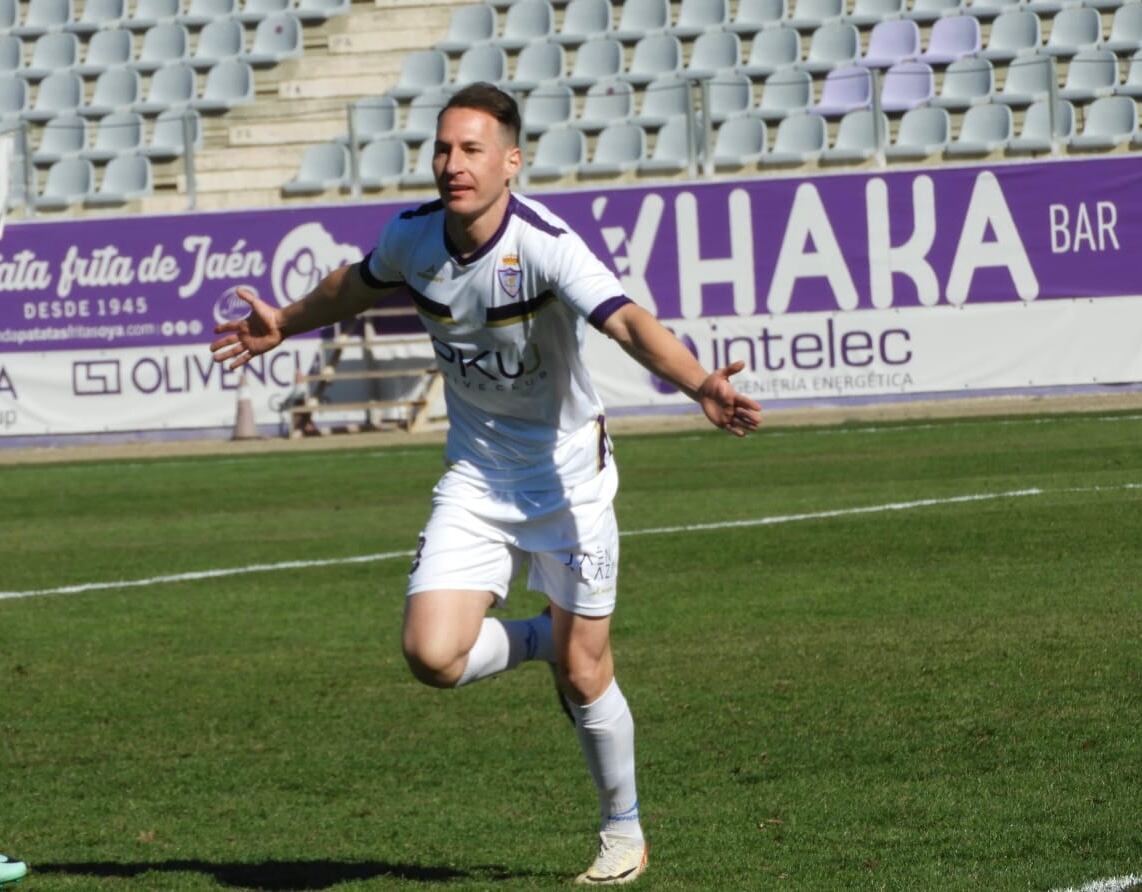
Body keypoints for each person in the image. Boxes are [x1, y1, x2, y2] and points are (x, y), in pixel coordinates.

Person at [210, 82, 761, 885]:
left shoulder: (544, 243)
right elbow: (354, 284)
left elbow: (630, 321)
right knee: (431, 656)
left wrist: (698, 384)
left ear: (511, 161)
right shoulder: (414, 238)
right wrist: (283, 322)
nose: (451, 164)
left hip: (569, 478)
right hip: (476, 477)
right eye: (441, 149)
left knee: (586, 673)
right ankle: (539, 636)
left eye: (471, 150)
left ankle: (623, 830)